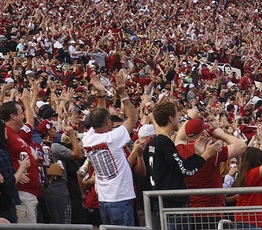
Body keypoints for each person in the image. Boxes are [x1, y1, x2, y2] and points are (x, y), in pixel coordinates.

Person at [145, 101, 218, 229]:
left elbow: (178, 166)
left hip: (162, 204)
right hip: (172, 207)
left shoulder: (154, 143)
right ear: (170, 118)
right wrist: (206, 155)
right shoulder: (164, 143)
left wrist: (197, 155)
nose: (179, 120)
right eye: (178, 117)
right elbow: (185, 171)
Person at [80, 80, 139, 227]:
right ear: (108, 122)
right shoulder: (113, 138)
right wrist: (123, 94)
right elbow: (133, 118)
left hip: (104, 200)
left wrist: (101, 95)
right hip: (120, 198)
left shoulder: (88, 138)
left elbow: (98, 117)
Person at [175, 116, 247, 209]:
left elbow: (179, 137)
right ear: (203, 133)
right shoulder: (211, 151)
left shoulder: (179, 149)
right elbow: (241, 146)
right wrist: (221, 135)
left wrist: (190, 118)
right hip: (212, 208)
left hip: (190, 209)